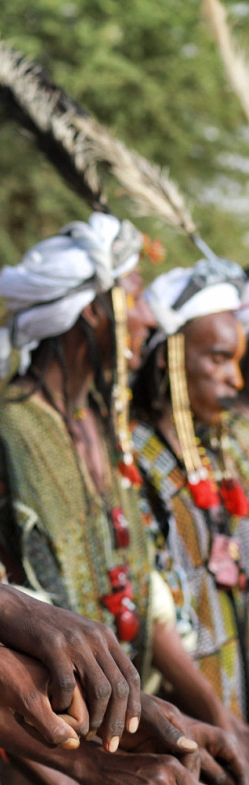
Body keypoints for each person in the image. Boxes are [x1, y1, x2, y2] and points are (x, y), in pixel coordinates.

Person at [0, 215, 249, 785]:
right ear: (91, 314)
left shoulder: (98, 421)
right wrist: (68, 779)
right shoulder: (3, 430)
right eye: (131, 299)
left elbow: (144, 586)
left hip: (136, 727)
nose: (145, 321)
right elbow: (1, 611)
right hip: (58, 742)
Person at [131, 260, 249, 738]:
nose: (234, 380)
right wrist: (219, 723)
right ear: (171, 356)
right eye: (218, 359)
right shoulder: (132, 456)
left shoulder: (224, 448)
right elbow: (150, 610)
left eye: (237, 363)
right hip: (184, 716)